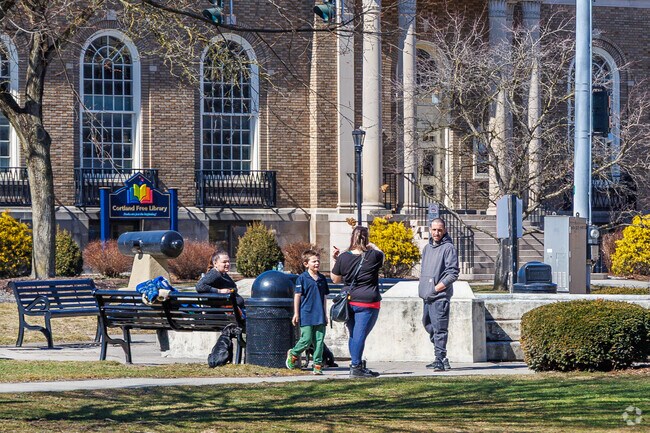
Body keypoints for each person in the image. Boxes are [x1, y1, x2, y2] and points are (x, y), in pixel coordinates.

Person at [331, 225, 384, 378]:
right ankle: (356, 367)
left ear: (352, 238)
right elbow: (382, 254)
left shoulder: (343, 257)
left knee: (354, 334)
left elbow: (335, 279)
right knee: (359, 335)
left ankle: (357, 364)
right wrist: (371, 245)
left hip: (349, 302)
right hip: (368, 302)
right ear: (366, 239)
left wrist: (337, 260)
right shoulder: (374, 255)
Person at [418, 217, 459, 371]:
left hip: (439, 296)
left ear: (445, 230)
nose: (436, 233)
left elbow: (452, 273)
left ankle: (439, 359)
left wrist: (436, 288)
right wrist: (425, 289)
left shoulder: (448, 248)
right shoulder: (427, 248)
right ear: (430, 229)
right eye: (434, 230)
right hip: (426, 296)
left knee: (440, 328)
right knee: (429, 326)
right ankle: (442, 357)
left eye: (440, 230)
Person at [285, 250, 330, 375]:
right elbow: (297, 296)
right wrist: (296, 313)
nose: (317, 263)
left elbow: (324, 297)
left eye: (318, 261)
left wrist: (325, 314)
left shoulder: (322, 279)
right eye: (314, 261)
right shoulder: (302, 278)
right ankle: (293, 354)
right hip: (306, 314)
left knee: (319, 342)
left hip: (320, 315)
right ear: (306, 264)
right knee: (306, 339)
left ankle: (317, 365)